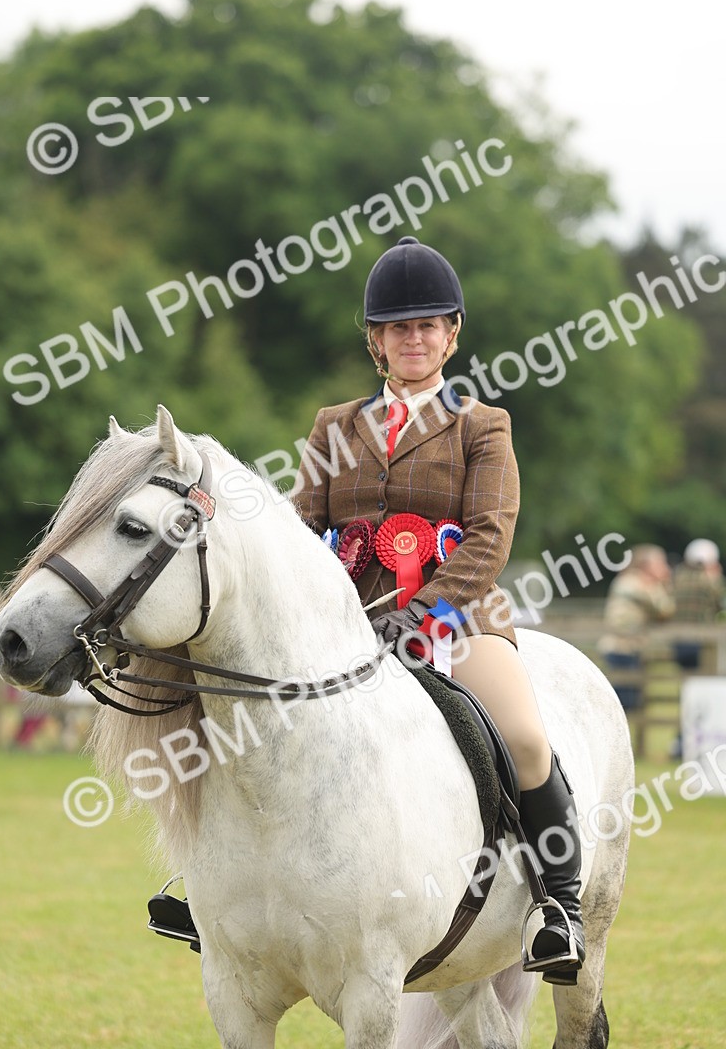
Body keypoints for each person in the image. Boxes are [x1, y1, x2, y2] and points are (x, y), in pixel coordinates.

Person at [147, 236, 585, 985]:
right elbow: (294, 528)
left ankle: (558, 905)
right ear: (377, 341)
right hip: (340, 629)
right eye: (397, 328)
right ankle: (216, 889)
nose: (413, 339)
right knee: (236, 712)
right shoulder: (334, 425)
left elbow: (488, 537)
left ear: (451, 334)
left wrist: (426, 614)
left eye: (428, 326)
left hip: (459, 621)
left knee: (523, 736)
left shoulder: (484, 425)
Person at [599, 544, 675, 710]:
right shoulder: (633, 584)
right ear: (646, 566)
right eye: (660, 564)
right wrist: (664, 583)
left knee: (629, 704)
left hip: (629, 650)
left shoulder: (631, 582)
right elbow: (664, 609)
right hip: (621, 650)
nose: (664, 568)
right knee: (624, 705)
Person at [672, 538, 724, 670]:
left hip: (679, 635)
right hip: (702, 638)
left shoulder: (677, 577)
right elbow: (721, 603)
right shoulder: (711, 581)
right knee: (702, 677)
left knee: (686, 675)